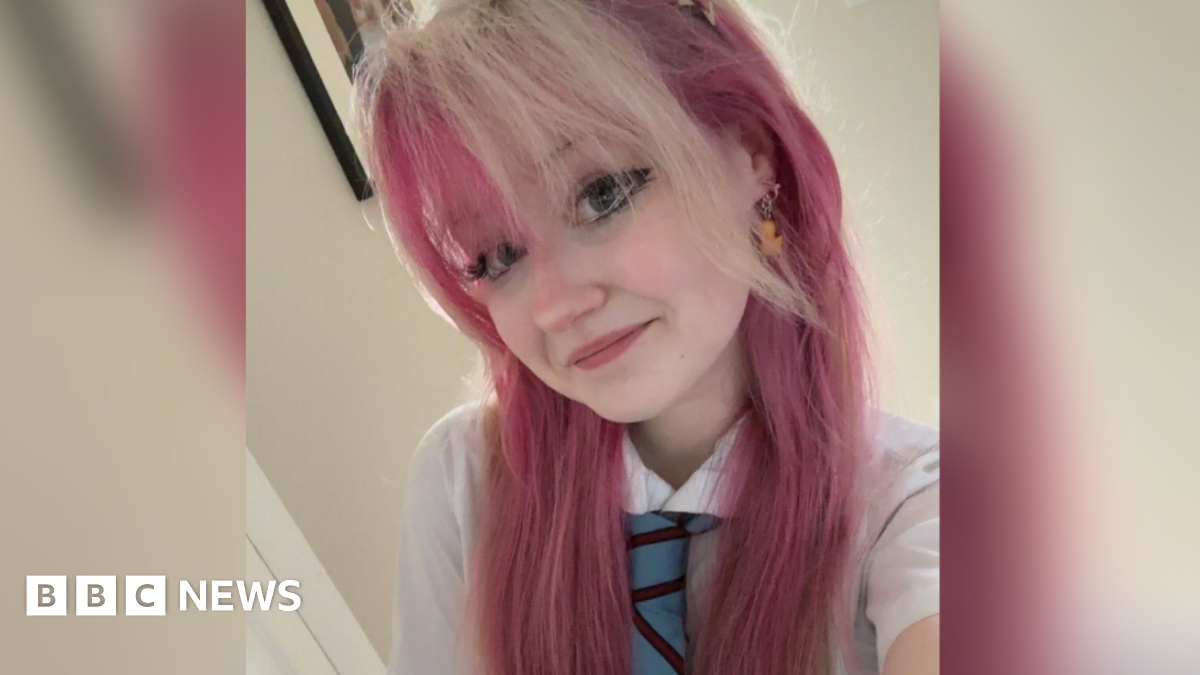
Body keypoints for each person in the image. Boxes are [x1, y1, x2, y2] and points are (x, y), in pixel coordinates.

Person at [352, 1, 939, 673]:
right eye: (496, 256)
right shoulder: (467, 480)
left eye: (602, 194)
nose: (554, 307)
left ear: (753, 153)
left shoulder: (911, 504)